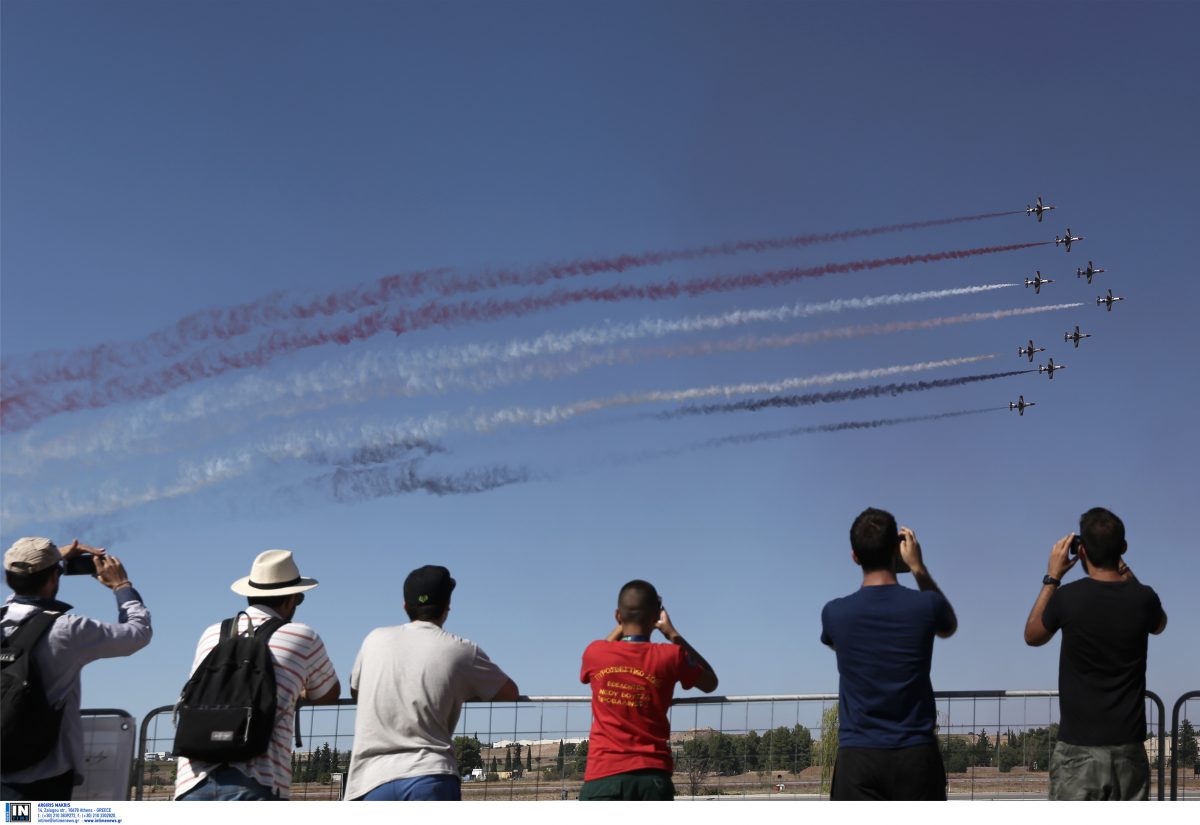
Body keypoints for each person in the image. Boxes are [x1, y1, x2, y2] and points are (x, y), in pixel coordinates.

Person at [1024, 507, 1167, 801]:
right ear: (1123, 548)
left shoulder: (1067, 598)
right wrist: (1124, 568)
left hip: (1078, 750)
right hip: (1128, 749)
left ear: (1081, 551)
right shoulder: (1144, 599)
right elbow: (1160, 624)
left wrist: (1052, 577)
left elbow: (1032, 635)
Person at [175, 549, 340, 801]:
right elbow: (329, 693)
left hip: (192, 779)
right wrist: (297, 693)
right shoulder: (303, 636)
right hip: (259, 779)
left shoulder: (211, 633)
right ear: (290, 599)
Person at [345, 565, 518, 801]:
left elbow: (356, 691)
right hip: (430, 775)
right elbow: (509, 692)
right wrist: (455, 689)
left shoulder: (374, 640)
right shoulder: (461, 650)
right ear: (447, 606)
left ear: (405, 606)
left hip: (369, 780)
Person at [820, 508, 957, 801]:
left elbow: (837, 644)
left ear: (854, 556)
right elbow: (949, 626)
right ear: (897, 550)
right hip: (916, 755)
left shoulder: (835, 613)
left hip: (858, 758)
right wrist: (918, 567)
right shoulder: (926, 606)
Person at [2, 537, 152, 801]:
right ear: (53, 578)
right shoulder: (67, 630)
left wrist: (54, 559)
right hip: (44, 776)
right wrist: (122, 586)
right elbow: (138, 633)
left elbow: (17, 602)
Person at [579, 579, 718, 801]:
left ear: (618, 616)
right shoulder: (671, 656)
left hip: (602, 777)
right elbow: (711, 682)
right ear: (655, 617)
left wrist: (623, 623)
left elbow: (604, 649)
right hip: (652, 777)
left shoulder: (595, 653)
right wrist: (672, 634)